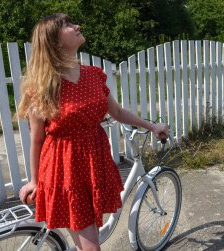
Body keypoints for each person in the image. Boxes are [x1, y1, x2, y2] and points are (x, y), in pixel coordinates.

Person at [18, 13, 169, 251]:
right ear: (54, 41)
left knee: (86, 242)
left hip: (93, 163)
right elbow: (36, 140)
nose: (77, 25)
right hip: (64, 171)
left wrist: (152, 126)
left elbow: (117, 112)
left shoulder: (93, 74)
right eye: (67, 25)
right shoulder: (42, 86)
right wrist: (35, 180)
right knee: (91, 247)